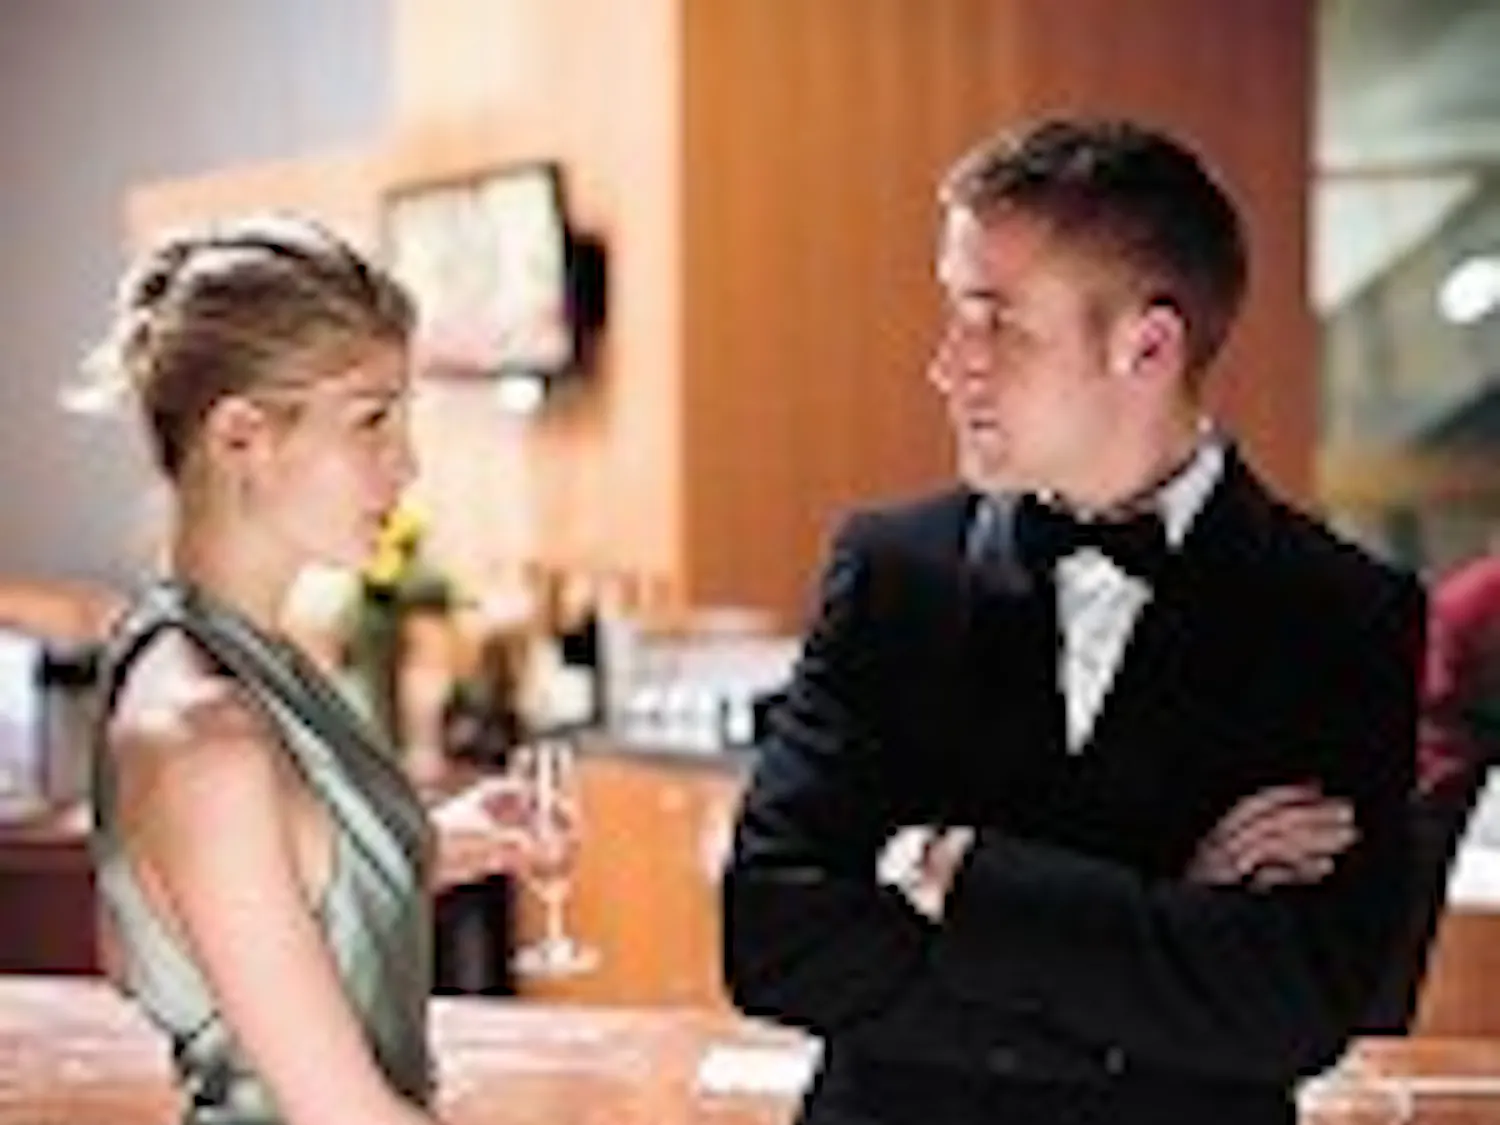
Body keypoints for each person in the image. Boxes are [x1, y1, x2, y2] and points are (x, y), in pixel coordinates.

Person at [721, 117, 1426, 1125]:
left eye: (996, 323)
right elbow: (775, 939)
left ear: (1148, 345)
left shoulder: (1340, 611)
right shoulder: (891, 573)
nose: (948, 365)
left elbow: (1298, 1008)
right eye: (954, 314)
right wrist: (1164, 921)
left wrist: (955, 874)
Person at [85, 214, 529, 1125]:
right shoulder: (208, 738)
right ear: (242, 435)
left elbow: (266, 897)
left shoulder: (231, 662)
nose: (407, 463)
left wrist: (435, 841)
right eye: (372, 419)